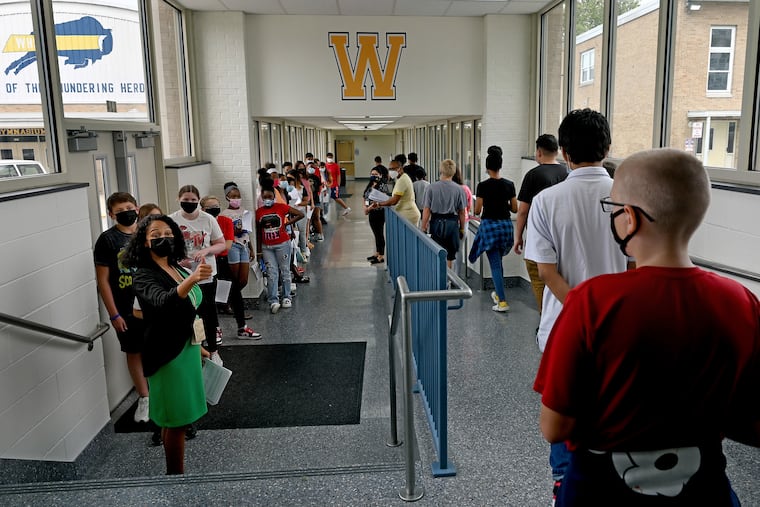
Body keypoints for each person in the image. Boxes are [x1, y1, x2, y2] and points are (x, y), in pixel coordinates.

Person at [534, 148, 760, 506]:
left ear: (630, 219)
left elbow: (554, 427)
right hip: (705, 492)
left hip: (599, 492)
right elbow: (751, 420)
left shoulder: (592, 301)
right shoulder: (741, 301)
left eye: (613, 209)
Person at [524, 108, 628, 501]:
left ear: (564, 152)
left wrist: (585, 312)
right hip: (623, 324)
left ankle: (563, 488)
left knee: (566, 409)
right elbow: (634, 264)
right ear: (607, 147)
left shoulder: (548, 200)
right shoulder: (626, 196)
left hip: (565, 324)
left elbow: (547, 273)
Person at [124, 214, 211, 475]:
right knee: (175, 421)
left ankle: (174, 472)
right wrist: (193, 279)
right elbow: (163, 302)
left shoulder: (177, 267)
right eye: (156, 236)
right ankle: (175, 476)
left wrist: (200, 344)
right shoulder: (143, 276)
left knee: (178, 417)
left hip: (187, 349)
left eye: (169, 234)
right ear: (145, 243)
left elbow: (189, 310)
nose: (164, 239)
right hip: (167, 356)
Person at [93, 192, 149, 423]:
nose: (126, 212)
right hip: (125, 309)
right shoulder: (107, 240)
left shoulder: (148, 233)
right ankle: (144, 397)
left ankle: (164, 395)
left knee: (159, 351)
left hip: (152, 305)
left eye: (129, 207)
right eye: (120, 210)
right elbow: (103, 281)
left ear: (137, 208)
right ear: (111, 214)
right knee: (134, 352)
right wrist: (113, 314)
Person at [169, 185, 226, 366]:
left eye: (193, 200)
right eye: (186, 200)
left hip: (206, 273)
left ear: (198, 201)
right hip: (182, 275)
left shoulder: (208, 219)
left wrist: (207, 250)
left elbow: (221, 244)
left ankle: (213, 350)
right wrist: (178, 261)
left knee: (208, 312)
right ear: (179, 200)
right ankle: (196, 349)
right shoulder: (171, 220)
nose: (190, 203)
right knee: (190, 314)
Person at [513, 134, 568, 313]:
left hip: (540, 240)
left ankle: (546, 319)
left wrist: (518, 236)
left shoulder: (533, 175)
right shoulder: (567, 172)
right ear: (558, 151)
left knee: (539, 282)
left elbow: (522, 211)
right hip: (564, 239)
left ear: (538, 152)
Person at [203, 194, 260, 340]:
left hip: (221, 262)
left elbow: (226, 247)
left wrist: (208, 250)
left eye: (216, 206)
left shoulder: (225, 221)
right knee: (208, 298)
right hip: (205, 265)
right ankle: (214, 329)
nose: (214, 209)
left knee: (235, 292)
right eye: (210, 207)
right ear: (202, 209)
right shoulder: (201, 224)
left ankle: (242, 327)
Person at [468, 146, 517, 312]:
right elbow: (515, 209)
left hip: (490, 227)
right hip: (505, 227)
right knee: (499, 261)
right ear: (500, 166)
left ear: (487, 168)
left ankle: (502, 301)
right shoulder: (509, 185)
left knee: (495, 264)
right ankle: (498, 293)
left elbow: (477, 211)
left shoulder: (482, 186)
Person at [256, 183, 305, 314]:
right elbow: (258, 232)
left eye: (270, 196)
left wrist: (287, 224)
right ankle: (273, 300)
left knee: (285, 270)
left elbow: (300, 214)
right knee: (271, 273)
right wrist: (259, 250)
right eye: (264, 197)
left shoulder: (281, 207)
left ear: (274, 197)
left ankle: (287, 296)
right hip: (267, 247)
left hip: (283, 244)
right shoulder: (259, 212)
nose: (267, 199)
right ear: (261, 197)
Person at [420, 159, 467, 269]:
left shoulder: (431, 188)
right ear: (453, 172)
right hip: (452, 224)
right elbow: (462, 212)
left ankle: (439, 280)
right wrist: (462, 229)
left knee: (438, 252)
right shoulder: (459, 189)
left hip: (436, 223)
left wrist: (423, 227)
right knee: (450, 255)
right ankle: (448, 280)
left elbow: (426, 210)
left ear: (441, 170)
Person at [370, 155, 420, 225]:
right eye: (389, 169)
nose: (391, 171)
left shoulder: (402, 180)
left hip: (408, 214)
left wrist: (379, 204)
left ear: (400, 168)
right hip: (405, 213)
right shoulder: (400, 178)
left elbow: (394, 201)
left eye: (393, 169)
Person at [363, 164, 391, 264]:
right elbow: (366, 197)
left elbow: (383, 200)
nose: (373, 175)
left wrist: (369, 208)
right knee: (375, 233)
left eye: (376, 174)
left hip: (379, 212)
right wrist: (365, 207)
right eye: (372, 174)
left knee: (379, 233)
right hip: (371, 212)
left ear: (380, 175)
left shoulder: (382, 186)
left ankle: (381, 255)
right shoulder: (370, 185)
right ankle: (377, 252)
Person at [451, 166, 473, 275]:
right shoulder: (465, 188)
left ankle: (448, 276)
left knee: (448, 250)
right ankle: (457, 275)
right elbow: (468, 206)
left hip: (449, 222)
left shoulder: (448, 188)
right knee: (459, 250)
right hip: (464, 221)